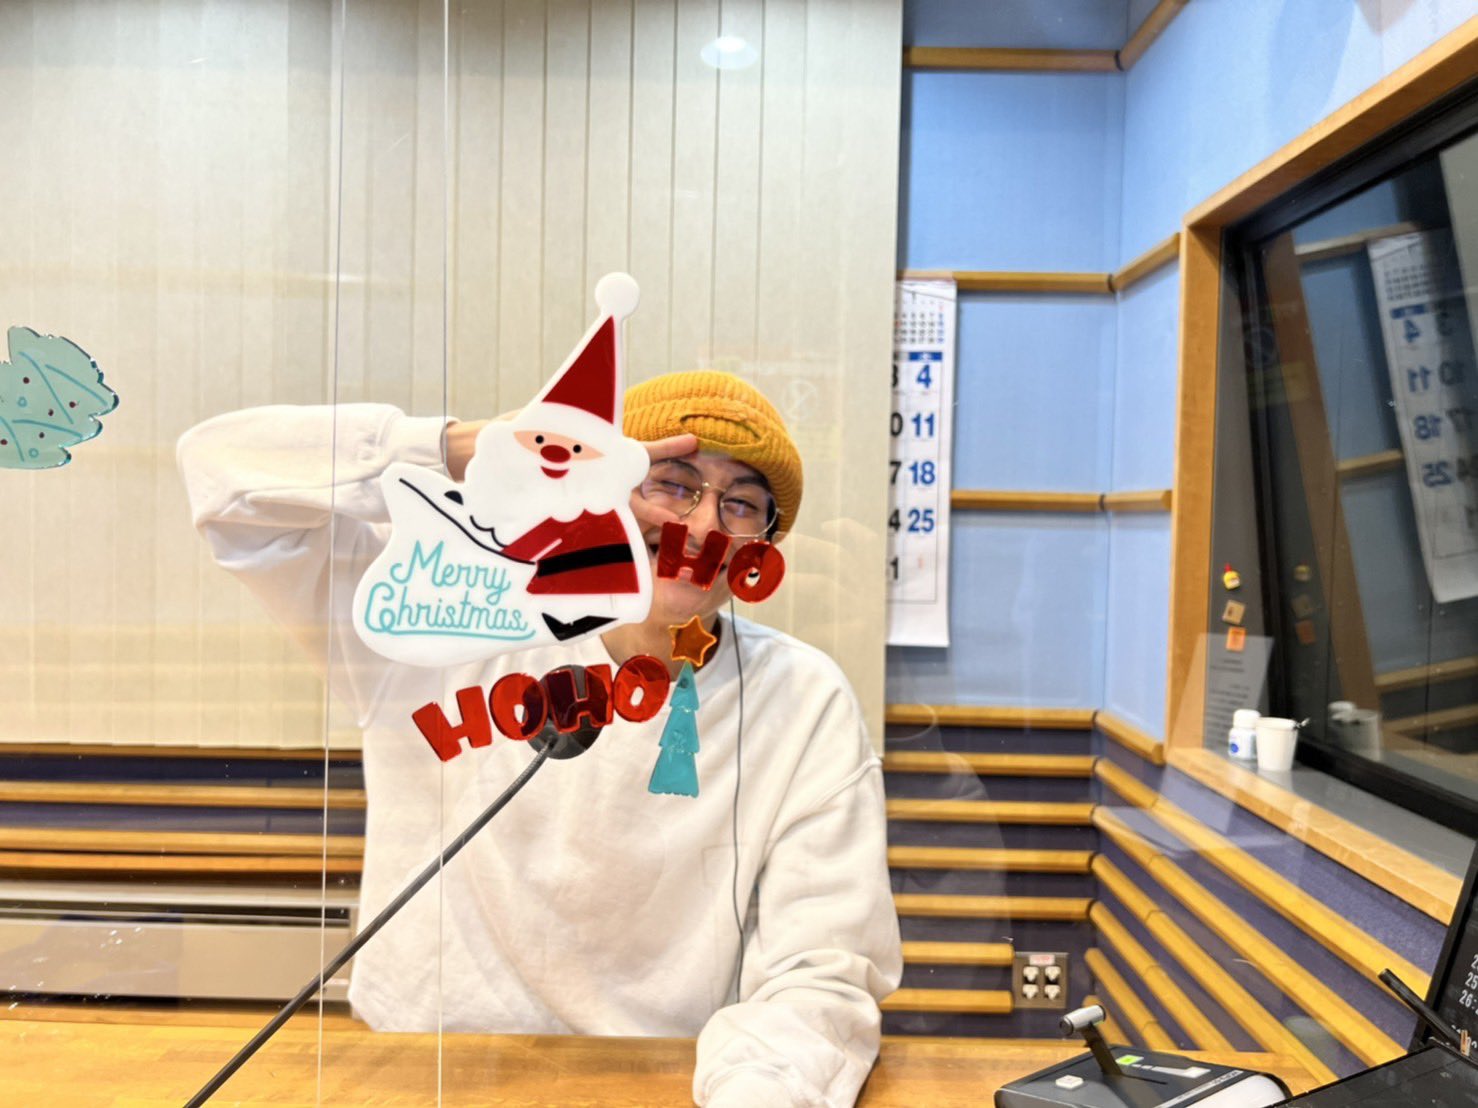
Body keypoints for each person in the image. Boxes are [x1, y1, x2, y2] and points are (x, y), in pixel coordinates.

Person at [176, 368, 902, 1107]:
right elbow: (222, 476)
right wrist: (473, 450)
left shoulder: (802, 701)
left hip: (664, 1085)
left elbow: (820, 969)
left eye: (741, 504)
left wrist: (754, 1095)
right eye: (671, 484)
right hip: (422, 1075)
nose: (702, 526)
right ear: (600, 487)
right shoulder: (445, 616)